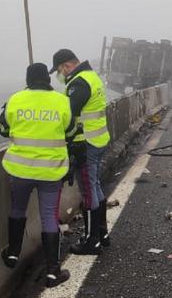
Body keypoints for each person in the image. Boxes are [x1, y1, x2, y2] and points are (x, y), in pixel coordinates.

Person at [0, 63, 76, 288]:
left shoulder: (15, 99)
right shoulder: (61, 101)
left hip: (19, 170)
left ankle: (13, 254)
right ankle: (52, 271)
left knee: (17, 209)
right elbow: (71, 131)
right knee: (49, 216)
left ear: (28, 79)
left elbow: (3, 129)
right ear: (48, 79)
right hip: (51, 171)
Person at [49, 49, 111, 255]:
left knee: (88, 191)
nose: (60, 75)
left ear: (66, 66)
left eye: (59, 70)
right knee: (95, 186)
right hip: (99, 139)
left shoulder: (78, 83)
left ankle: (92, 241)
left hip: (86, 143)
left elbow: (68, 113)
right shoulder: (91, 76)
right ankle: (102, 233)